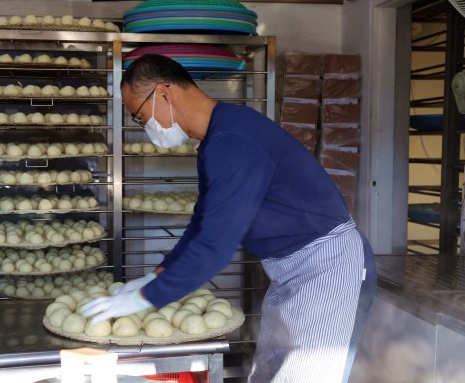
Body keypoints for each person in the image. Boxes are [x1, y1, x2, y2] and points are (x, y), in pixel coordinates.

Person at [80, 54, 377, 383]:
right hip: (291, 268)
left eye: (139, 117)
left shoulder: (234, 140)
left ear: (163, 93)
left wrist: (146, 297)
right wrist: (156, 275)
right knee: (269, 372)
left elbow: (215, 245)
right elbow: (203, 223)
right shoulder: (216, 140)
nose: (145, 128)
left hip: (327, 265)